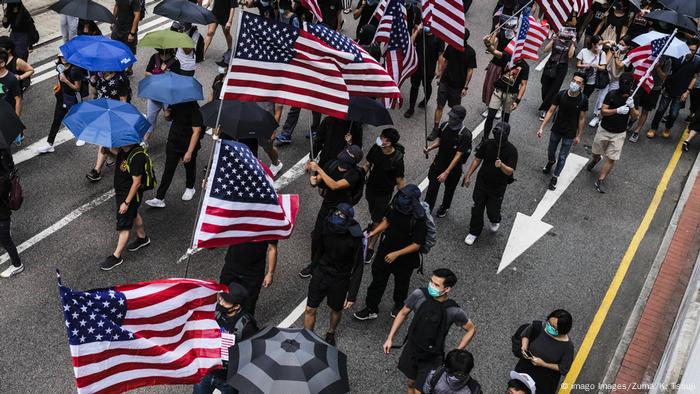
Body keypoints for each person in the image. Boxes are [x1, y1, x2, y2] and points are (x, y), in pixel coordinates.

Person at [382, 269, 476, 394]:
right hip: (412, 349)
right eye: (431, 282)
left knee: (419, 391)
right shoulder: (418, 295)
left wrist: (457, 352)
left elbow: (471, 329)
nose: (431, 286)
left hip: (432, 357)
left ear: (447, 289)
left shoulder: (453, 310)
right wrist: (390, 338)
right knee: (410, 382)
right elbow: (403, 313)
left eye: (437, 285)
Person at [354, 184, 425, 320]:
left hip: (405, 259)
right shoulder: (394, 206)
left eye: (406, 197)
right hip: (385, 250)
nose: (402, 198)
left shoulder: (418, 218)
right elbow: (387, 222)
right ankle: (371, 308)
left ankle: (399, 305)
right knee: (377, 282)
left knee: (401, 284)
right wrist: (372, 233)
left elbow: (416, 245)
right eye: (402, 194)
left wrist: (396, 254)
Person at [304, 203, 364, 346]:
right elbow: (319, 247)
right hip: (321, 272)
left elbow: (358, 265)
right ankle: (307, 338)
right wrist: (313, 267)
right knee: (310, 308)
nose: (337, 216)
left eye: (342, 215)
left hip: (340, 278)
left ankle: (331, 332)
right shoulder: (327, 223)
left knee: (336, 309)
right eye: (336, 212)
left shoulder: (354, 236)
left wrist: (352, 294)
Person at [300, 145, 364, 278]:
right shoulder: (332, 164)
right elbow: (319, 180)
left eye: (345, 161)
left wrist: (318, 169)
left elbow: (335, 185)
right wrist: (314, 180)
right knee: (317, 236)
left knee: (334, 238)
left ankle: (333, 265)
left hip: (342, 211)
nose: (341, 163)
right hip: (327, 205)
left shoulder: (354, 174)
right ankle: (314, 265)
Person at [193, 283, 259, 394]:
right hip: (206, 372)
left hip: (228, 380)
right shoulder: (216, 312)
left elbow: (252, 353)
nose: (221, 302)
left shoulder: (247, 327)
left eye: (225, 301)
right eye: (221, 298)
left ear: (237, 306)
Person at [463, 122, 517, 245]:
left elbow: (509, 171)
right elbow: (477, 159)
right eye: (495, 132)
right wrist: (468, 175)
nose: (497, 135)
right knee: (477, 207)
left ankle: (495, 219)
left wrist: (501, 165)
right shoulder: (487, 144)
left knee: (492, 210)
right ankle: (474, 231)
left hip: (497, 187)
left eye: (500, 133)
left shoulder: (512, 151)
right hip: (482, 182)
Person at [100, 144, 150, 271]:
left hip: (128, 196)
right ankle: (142, 238)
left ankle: (117, 256)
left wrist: (126, 203)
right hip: (122, 193)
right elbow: (122, 162)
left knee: (123, 225)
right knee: (133, 214)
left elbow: (137, 183)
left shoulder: (137, 157)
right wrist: (108, 153)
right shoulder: (124, 150)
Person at [145, 101, 203, 208]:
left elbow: (197, 131)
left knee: (189, 168)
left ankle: (190, 187)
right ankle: (159, 198)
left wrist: (189, 152)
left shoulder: (194, 108)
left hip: (187, 144)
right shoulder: (176, 103)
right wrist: (167, 115)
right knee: (168, 170)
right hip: (173, 142)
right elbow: (170, 118)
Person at [587, 73, 638, 194]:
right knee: (595, 152)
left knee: (611, 158)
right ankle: (595, 159)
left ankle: (600, 180)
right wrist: (617, 110)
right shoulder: (611, 94)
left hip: (619, 133)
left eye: (627, 83)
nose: (625, 85)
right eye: (623, 82)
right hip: (604, 130)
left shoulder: (633, 98)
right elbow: (603, 111)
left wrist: (632, 106)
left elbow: (635, 116)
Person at [537, 72, 588, 191]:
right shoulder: (561, 94)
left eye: (578, 83)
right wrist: (541, 127)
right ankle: (550, 161)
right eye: (574, 81)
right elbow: (551, 111)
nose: (575, 84)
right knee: (551, 151)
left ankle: (555, 176)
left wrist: (579, 135)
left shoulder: (583, 100)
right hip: (556, 129)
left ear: (582, 86)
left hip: (570, 133)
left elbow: (581, 118)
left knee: (563, 156)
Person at [363, 128, 405, 262]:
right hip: (370, 188)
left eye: (382, 137)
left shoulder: (397, 159)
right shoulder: (376, 148)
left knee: (378, 219)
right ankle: (375, 223)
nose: (379, 138)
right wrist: (358, 175)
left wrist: (403, 197)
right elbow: (368, 164)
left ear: (388, 143)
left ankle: (370, 247)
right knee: (373, 213)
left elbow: (399, 180)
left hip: (384, 193)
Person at [646, 39, 700, 140]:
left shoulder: (697, 61)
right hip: (669, 88)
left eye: (693, 50)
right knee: (660, 110)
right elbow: (666, 72)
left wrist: (687, 91)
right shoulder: (676, 56)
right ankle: (653, 128)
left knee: (674, 113)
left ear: (696, 50)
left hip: (681, 92)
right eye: (689, 49)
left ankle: (667, 128)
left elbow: (695, 77)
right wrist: (658, 68)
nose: (690, 52)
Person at [424, 105, 472, 218]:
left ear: (460, 119)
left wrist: (446, 172)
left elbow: (458, 155)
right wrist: (430, 148)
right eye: (450, 116)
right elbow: (440, 141)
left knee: (449, 190)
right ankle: (426, 210)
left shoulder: (465, 135)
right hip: (438, 163)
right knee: (432, 188)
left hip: (453, 169)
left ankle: (444, 207)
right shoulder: (444, 125)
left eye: (454, 118)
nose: (450, 119)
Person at [430, 29, 476, 140]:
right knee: (440, 106)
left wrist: (465, 87)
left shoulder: (470, 52)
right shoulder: (451, 47)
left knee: (454, 109)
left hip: (457, 87)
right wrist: (441, 74)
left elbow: (470, 70)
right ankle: (436, 129)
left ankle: (452, 130)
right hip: (445, 82)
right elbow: (446, 61)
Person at [515, 309, 575, 394]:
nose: (549, 327)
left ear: (563, 330)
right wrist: (524, 346)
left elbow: (564, 368)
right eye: (549, 323)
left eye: (554, 327)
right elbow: (526, 334)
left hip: (542, 382)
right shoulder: (538, 327)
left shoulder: (567, 347)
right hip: (524, 370)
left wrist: (544, 364)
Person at [37, 52, 86, 154]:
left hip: (74, 97)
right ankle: (50, 144)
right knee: (57, 119)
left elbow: (77, 88)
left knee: (75, 117)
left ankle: (81, 136)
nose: (63, 58)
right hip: (62, 97)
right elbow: (59, 78)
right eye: (61, 56)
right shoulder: (60, 66)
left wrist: (66, 81)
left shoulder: (75, 70)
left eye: (66, 56)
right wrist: (59, 85)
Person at [86, 71, 131, 182]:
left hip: (116, 112)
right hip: (103, 111)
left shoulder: (121, 78)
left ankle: (129, 165)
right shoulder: (98, 76)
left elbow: (123, 101)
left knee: (119, 143)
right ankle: (98, 169)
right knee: (106, 140)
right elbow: (95, 93)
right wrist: (93, 82)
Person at [219, 240, 278, 316]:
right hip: (231, 267)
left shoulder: (268, 228)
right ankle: (221, 321)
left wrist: (270, 273)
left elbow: (272, 249)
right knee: (223, 298)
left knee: (248, 304)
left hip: (253, 273)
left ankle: (244, 325)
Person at [483, 54, 529, 141]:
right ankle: (484, 139)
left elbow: (523, 85)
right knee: (490, 116)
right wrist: (489, 45)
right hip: (498, 91)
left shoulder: (525, 66)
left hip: (511, 95)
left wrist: (517, 101)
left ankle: (501, 142)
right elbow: (495, 52)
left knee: (504, 121)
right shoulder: (507, 57)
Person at [405, 24, 445, 119]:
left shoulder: (439, 38)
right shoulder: (420, 34)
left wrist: (439, 70)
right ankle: (411, 108)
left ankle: (425, 100)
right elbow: (410, 43)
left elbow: (440, 55)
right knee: (414, 87)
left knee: (426, 86)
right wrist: (417, 30)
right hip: (417, 66)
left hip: (429, 69)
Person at [588, 36, 629, 128]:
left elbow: (619, 66)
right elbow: (605, 61)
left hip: (617, 80)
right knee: (601, 97)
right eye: (620, 43)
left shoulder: (629, 56)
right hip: (607, 77)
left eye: (623, 45)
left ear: (628, 46)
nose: (621, 46)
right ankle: (596, 116)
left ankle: (604, 118)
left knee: (611, 99)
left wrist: (615, 55)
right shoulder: (614, 49)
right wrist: (611, 50)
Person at [143, 49, 181, 145]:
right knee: (150, 118)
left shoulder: (175, 62)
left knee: (169, 118)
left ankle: (173, 139)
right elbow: (147, 73)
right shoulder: (154, 57)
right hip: (154, 94)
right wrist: (157, 73)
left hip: (168, 96)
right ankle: (145, 140)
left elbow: (175, 81)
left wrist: (164, 74)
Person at [629, 57, 671, 143]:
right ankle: (633, 118)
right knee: (632, 105)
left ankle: (637, 131)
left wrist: (658, 67)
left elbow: (664, 77)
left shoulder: (667, 60)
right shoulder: (649, 52)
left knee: (645, 110)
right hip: (640, 84)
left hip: (654, 88)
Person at [538, 31, 577, 121]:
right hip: (551, 65)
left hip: (561, 67)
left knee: (554, 89)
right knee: (544, 85)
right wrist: (553, 39)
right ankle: (547, 102)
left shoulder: (570, 43)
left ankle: (545, 109)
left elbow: (570, 56)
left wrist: (573, 44)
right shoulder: (557, 40)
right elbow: (545, 49)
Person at [482, 18, 516, 118]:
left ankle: (500, 107)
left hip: (508, 66)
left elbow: (494, 51)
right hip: (496, 64)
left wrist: (488, 44)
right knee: (490, 86)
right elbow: (492, 45)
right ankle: (490, 107)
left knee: (504, 89)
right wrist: (495, 32)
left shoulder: (517, 38)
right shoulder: (501, 33)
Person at [0, 150, 22, 278]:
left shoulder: (2, 180)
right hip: (3, 212)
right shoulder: (4, 171)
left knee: (6, 240)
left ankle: (17, 264)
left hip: (2, 216)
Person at [0, 49, 22, 145]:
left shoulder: (11, 78)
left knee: (6, 141)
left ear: (2, 63)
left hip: (7, 113)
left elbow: (18, 99)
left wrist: (16, 119)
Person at [576, 35, 607, 99]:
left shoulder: (602, 53)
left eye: (601, 44)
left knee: (584, 98)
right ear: (593, 44)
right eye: (599, 44)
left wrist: (596, 66)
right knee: (575, 95)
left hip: (591, 82)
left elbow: (603, 68)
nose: (600, 46)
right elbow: (578, 64)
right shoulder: (584, 51)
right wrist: (585, 65)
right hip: (580, 79)